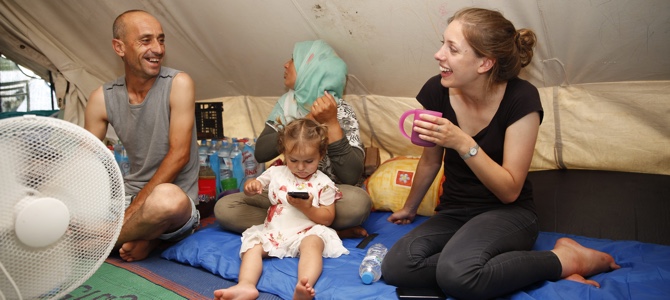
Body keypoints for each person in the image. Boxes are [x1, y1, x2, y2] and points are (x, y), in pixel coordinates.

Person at [380, 7, 620, 299]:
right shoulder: (436, 90)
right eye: (443, 43)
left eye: (452, 48)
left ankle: (563, 259)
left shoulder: (521, 99)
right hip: (455, 212)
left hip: (508, 213)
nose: (438, 54)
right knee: (395, 267)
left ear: (484, 63)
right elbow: (431, 160)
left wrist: (462, 142)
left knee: (459, 275)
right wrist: (409, 207)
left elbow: (509, 191)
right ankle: (476, 265)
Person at [214, 39, 371, 238]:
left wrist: (331, 123)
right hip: (285, 190)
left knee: (357, 204)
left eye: (293, 59)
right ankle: (322, 231)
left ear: (311, 70)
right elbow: (262, 152)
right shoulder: (286, 106)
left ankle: (292, 226)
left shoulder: (340, 111)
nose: (285, 64)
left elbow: (351, 176)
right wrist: (305, 121)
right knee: (225, 208)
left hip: (325, 197)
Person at [84, 10, 200, 262]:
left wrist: (133, 210)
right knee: (68, 217)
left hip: (170, 200)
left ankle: (101, 244)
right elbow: (85, 162)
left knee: (166, 201)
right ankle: (145, 238)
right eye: (146, 41)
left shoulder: (178, 83)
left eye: (161, 40)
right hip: (128, 197)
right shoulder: (101, 98)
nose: (158, 49)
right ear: (119, 47)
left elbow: (179, 155)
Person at [214, 118, 349, 300]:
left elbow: (327, 218)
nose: (300, 168)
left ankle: (304, 284)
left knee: (313, 244)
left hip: (306, 231)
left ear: (321, 154)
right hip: (275, 231)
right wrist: (251, 186)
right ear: (284, 152)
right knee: (252, 247)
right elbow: (253, 185)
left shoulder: (323, 183)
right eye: (293, 160)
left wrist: (307, 208)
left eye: (309, 161)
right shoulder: (276, 172)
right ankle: (246, 285)